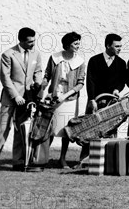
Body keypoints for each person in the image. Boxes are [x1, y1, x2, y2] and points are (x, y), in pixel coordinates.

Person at [76, 33, 128, 165]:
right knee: (90, 129)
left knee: (110, 130)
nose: (119, 49)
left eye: (120, 46)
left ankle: (108, 160)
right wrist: (92, 99)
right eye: (117, 46)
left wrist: (117, 89)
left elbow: (122, 81)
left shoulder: (121, 63)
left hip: (111, 103)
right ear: (108, 45)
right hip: (95, 101)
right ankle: (84, 160)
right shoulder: (94, 60)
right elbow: (90, 81)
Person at [0, 28, 42, 170]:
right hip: (10, 99)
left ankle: (18, 161)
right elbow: (5, 78)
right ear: (21, 41)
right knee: (2, 128)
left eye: (34, 40)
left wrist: (38, 82)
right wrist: (16, 96)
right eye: (30, 41)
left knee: (21, 129)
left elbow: (38, 71)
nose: (33, 44)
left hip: (28, 99)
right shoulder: (8, 54)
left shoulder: (36, 54)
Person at [41, 32, 85, 168]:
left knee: (66, 131)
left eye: (78, 43)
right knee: (49, 129)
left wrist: (65, 96)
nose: (78, 46)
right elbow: (47, 75)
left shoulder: (80, 61)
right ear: (67, 45)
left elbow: (80, 84)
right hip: (54, 98)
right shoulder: (55, 58)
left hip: (69, 100)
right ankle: (42, 158)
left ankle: (62, 158)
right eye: (75, 43)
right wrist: (43, 90)